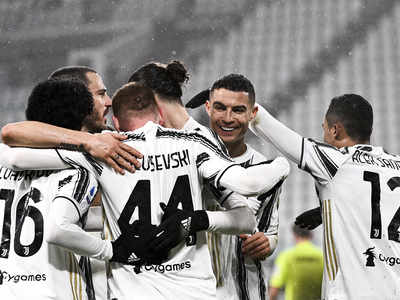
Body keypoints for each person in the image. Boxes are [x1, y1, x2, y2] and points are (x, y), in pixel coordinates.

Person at [0, 82, 290, 300]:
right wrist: (282, 164)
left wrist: (87, 143)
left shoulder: (103, 151)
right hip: (195, 292)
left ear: (116, 121)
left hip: (130, 292)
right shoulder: (194, 144)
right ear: (160, 115)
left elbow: (14, 156)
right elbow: (246, 216)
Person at [249, 93, 400, 299]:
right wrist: (329, 211)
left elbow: (268, 126)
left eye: (324, 129)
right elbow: (382, 205)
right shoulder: (397, 166)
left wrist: (240, 101)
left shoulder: (336, 161)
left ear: (335, 130)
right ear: (370, 130)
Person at [0, 78, 99, 300]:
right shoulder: (80, 171)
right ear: (82, 120)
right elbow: (59, 229)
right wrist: (109, 249)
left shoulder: (3, 161)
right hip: (54, 292)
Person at [188, 74, 282, 300]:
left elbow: (270, 233)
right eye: (220, 108)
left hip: (245, 293)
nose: (227, 118)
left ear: (253, 114)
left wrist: (266, 243)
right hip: (193, 291)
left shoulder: (264, 169)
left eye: (238, 110)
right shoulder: (185, 159)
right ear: (208, 108)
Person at [2, 66, 141, 174]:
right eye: (101, 94)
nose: (109, 102)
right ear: (77, 97)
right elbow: (10, 133)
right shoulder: (29, 153)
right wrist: (89, 142)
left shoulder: (109, 142)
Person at [269, 225, 323, 300]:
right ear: (311, 234)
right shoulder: (322, 257)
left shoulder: (286, 256)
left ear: (294, 235)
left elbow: (274, 289)